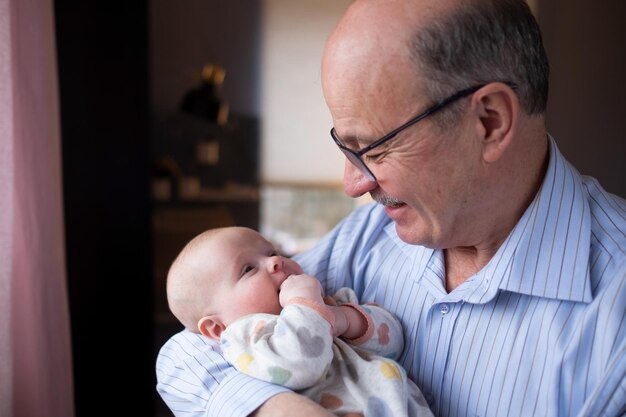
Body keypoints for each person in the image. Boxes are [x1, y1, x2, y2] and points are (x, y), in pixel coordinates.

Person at [156, 0, 626, 416]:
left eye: (374, 150)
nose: (353, 184)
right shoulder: (368, 236)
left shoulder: (613, 319)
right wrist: (277, 409)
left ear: (489, 121)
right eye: (345, 148)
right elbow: (186, 353)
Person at [164, 226, 434, 417]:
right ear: (217, 327)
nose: (275, 262)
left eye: (271, 252)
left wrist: (342, 319)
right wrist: (303, 307)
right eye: (248, 269)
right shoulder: (247, 338)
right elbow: (301, 365)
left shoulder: (326, 303)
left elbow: (394, 342)